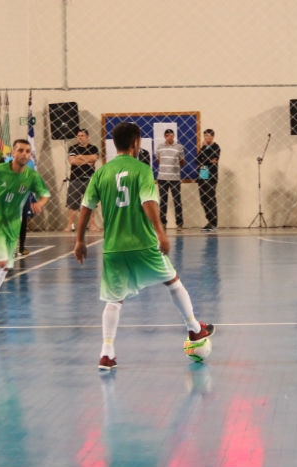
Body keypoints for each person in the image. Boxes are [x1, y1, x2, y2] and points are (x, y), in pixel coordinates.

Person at [74, 122, 214, 371]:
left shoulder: (101, 173)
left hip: (114, 247)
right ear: (136, 142)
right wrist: (161, 233)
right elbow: (149, 202)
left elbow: (86, 206)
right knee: (173, 282)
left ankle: (107, 353)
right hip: (143, 244)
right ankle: (194, 328)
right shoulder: (142, 170)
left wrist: (79, 240)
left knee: (114, 300)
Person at [0, 139, 50, 323]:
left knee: (5, 267)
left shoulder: (31, 175)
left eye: (28, 151)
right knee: (1, 261)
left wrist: (39, 204)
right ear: (13, 153)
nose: (24, 154)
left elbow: (44, 194)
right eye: (20, 150)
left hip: (13, 225)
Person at [63, 128, 99, 232]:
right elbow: (72, 161)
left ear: (87, 137)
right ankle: (70, 225)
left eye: (82, 136)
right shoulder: (72, 148)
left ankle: (92, 224)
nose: (80, 138)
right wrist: (87, 160)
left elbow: (94, 159)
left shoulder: (93, 148)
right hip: (75, 179)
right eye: (78, 136)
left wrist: (80, 157)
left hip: (89, 179)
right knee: (72, 203)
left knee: (91, 202)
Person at [154, 128, 185, 229]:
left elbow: (182, 162)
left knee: (177, 200)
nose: (169, 137)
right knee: (163, 201)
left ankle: (179, 223)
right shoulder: (159, 147)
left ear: (174, 136)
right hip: (162, 178)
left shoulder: (179, 147)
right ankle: (163, 223)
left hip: (175, 178)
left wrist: (175, 165)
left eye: (171, 135)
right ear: (164, 136)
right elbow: (158, 160)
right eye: (167, 135)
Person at [195, 128, 221, 231]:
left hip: (211, 175)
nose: (206, 138)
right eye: (205, 136)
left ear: (212, 136)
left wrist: (205, 159)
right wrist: (203, 150)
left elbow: (212, 160)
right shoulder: (203, 147)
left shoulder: (216, 147)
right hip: (203, 173)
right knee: (203, 199)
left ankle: (214, 223)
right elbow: (197, 160)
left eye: (209, 136)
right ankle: (209, 221)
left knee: (210, 199)